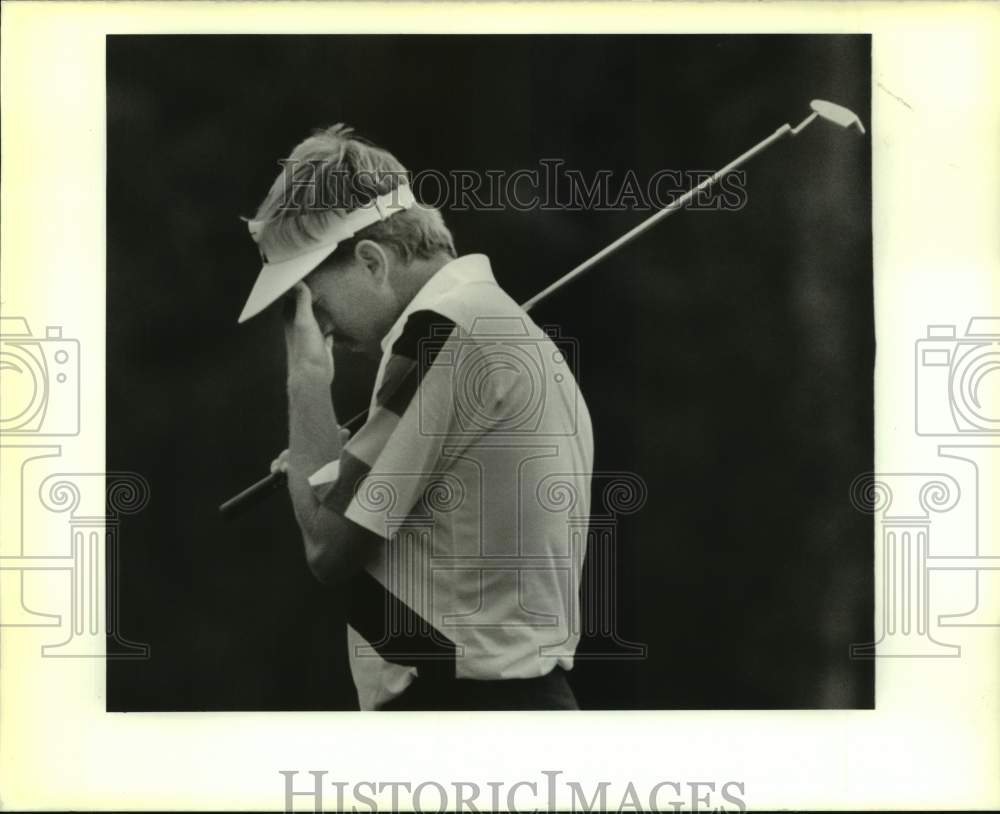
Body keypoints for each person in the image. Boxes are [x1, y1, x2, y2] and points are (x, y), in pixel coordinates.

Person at [238, 124, 594, 710]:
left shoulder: (440, 334)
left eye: (311, 300)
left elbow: (328, 546)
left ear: (373, 262)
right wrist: (319, 464)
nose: (317, 325)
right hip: (504, 708)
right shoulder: (493, 326)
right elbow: (340, 518)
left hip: (469, 717)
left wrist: (306, 378)